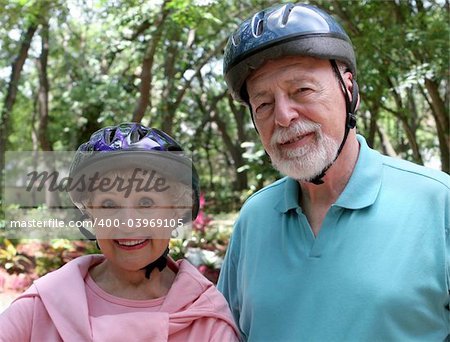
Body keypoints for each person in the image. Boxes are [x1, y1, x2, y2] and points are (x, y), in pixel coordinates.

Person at [217, 3, 450, 341]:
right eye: (264, 104)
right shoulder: (253, 218)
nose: (284, 116)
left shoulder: (438, 203)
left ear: (349, 90)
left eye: (303, 90)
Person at [0, 122, 239, 341]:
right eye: (109, 205)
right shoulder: (44, 303)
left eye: (146, 203)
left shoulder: (208, 320)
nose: (128, 223)